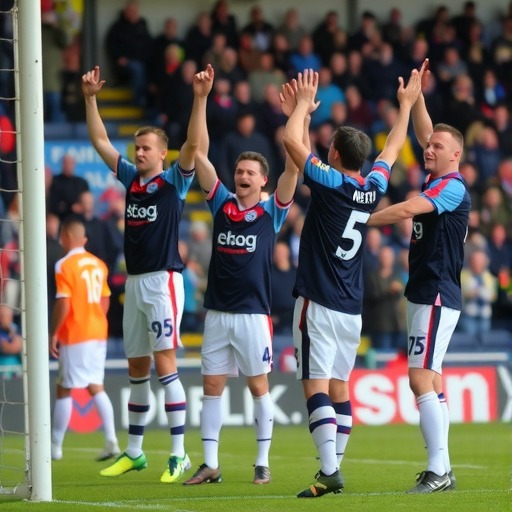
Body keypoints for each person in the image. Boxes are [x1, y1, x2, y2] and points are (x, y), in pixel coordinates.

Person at [282, 65, 423, 498]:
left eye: (328, 147)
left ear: (335, 154)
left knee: (315, 387)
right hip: (350, 307)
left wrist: (301, 107)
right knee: (340, 388)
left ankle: (330, 471)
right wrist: (405, 106)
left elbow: (291, 144)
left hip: (318, 300)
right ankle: (332, 468)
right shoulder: (371, 186)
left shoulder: (330, 182)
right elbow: (393, 147)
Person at [81, 63, 213, 482]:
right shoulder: (131, 181)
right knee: (137, 370)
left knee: (165, 365)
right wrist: (90, 99)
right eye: (136, 148)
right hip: (135, 284)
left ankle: (179, 454)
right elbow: (100, 141)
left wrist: (199, 98)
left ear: (161, 154)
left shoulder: (174, 181)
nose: (138, 153)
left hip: (162, 282)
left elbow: (194, 144)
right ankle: (135, 452)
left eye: (145, 149)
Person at [183, 74, 314, 487]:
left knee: (259, 387)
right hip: (217, 312)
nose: (242, 175)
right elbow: (197, 153)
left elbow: (294, 164)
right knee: (211, 386)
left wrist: (299, 115)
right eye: (239, 170)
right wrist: (201, 99)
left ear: (262, 181)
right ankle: (210, 463)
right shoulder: (221, 203)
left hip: (253, 314)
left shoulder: (271, 212)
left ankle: (262, 462)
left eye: (249, 172)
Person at [367, 59, 471, 494]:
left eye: (437, 147)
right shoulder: (439, 178)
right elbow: (427, 133)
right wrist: (417, 98)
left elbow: (409, 209)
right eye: (429, 146)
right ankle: (443, 469)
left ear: (455, 155)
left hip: (436, 292)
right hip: (424, 291)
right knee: (433, 379)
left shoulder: (452, 187)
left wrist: (362, 218)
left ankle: (437, 471)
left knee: (419, 378)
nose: (429, 150)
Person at [49, 218, 119, 462]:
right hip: (98, 331)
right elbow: (105, 298)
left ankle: (55, 447)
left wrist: (54, 332)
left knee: (64, 387)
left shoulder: (64, 265)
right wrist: (96, 318)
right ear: (84, 239)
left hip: (76, 332)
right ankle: (111, 440)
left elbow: (64, 302)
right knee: (95, 385)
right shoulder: (99, 264)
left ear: (65, 237)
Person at [0, 304, 22, 379]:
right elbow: (5, 347)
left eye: (8, 316)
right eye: (2, 316)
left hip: (15, 366)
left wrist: (11, 331)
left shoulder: (15, 328)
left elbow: (18, 345)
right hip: (2, 367)